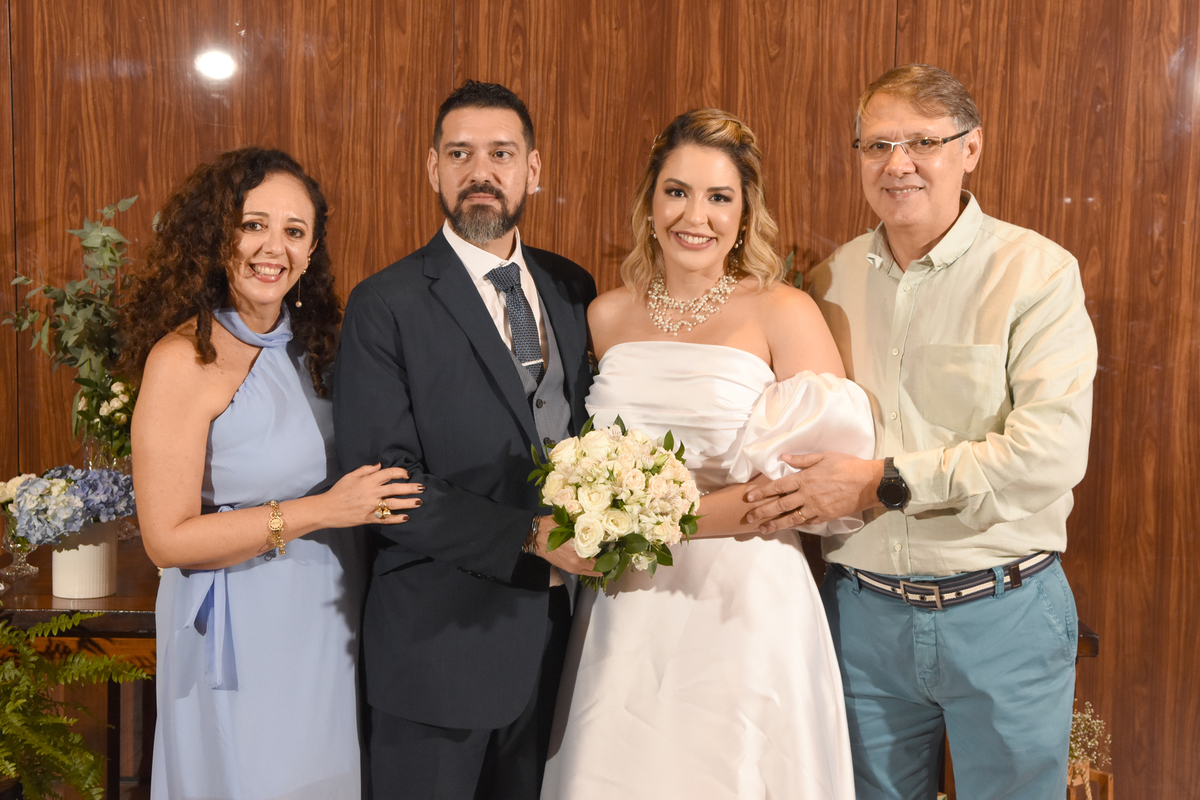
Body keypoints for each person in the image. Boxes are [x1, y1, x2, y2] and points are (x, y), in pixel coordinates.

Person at [745, 64, 1099, 799]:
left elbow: (1050, 453)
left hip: (1004, 612)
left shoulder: (1036, 273)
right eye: (877, 145)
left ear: (971, 148)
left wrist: (883, 482)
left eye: (922, 143)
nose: (897, 163)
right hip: (861, 619)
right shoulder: (825, 285)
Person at [540, 109, 875, 800]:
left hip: (745, 601)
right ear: (650, 202)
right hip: (626, 600)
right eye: (677, 192)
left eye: (719, 197)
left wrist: (646, 521)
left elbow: (810, 489)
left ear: (745, 213)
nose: (696, 216)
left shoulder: (784, 310)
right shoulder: (604, 316)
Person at [122, 147, 419, 800]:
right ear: (216, 233)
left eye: (294, 230)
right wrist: (323, 511)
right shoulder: (183, 360)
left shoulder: (324, 348)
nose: (273, 248)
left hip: (331, 615)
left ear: (311, 251)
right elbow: (166, 539)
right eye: (253, 225)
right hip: (238, 631)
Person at [332, 81, 598, 800]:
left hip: (561, 645)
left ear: (532, 170)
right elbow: (383, 485)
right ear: (433, 168)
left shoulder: (573, 289)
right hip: (437, 651)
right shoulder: (384, 304)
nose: (481, 171)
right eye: (460, 154)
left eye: (501, 154)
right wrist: (531, 536)